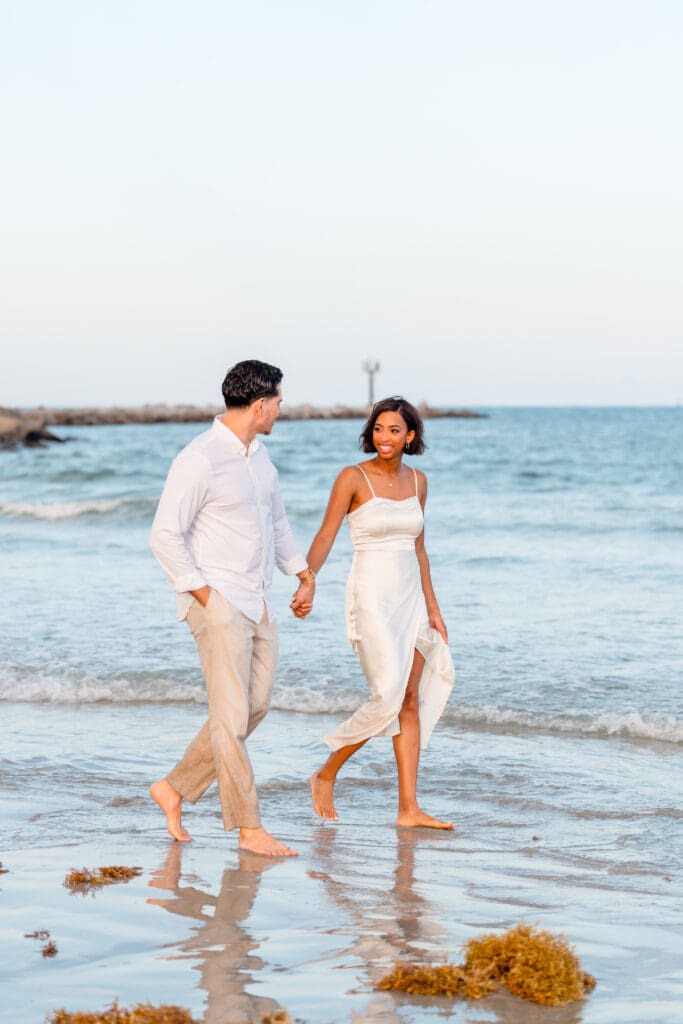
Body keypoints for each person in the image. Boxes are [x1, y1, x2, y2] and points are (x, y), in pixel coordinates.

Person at [148, 359, 315, 856]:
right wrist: (202, 595)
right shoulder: (199, 458)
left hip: (258, 600)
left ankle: (174, 787)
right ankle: (248, 828)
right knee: (229, 716)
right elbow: (164, 535)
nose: (281, 410)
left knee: (254, 706)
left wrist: (302, 574)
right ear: (260, 403)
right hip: (219, 601)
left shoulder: (261, 458)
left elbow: (278, 525)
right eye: (279, 402)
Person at [307, 396, 455, 829]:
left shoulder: (419, 482)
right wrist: (307, 579)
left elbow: (420, 549)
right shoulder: (352, 478)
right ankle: (325, 772)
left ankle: (408, 809)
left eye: (394, 430)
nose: (384, 438)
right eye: (378, 429)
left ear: (410, 436)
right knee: (387, 696)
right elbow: (326, 534)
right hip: (371, 596)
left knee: (409, 700)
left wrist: (434, 608)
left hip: (411, 596)